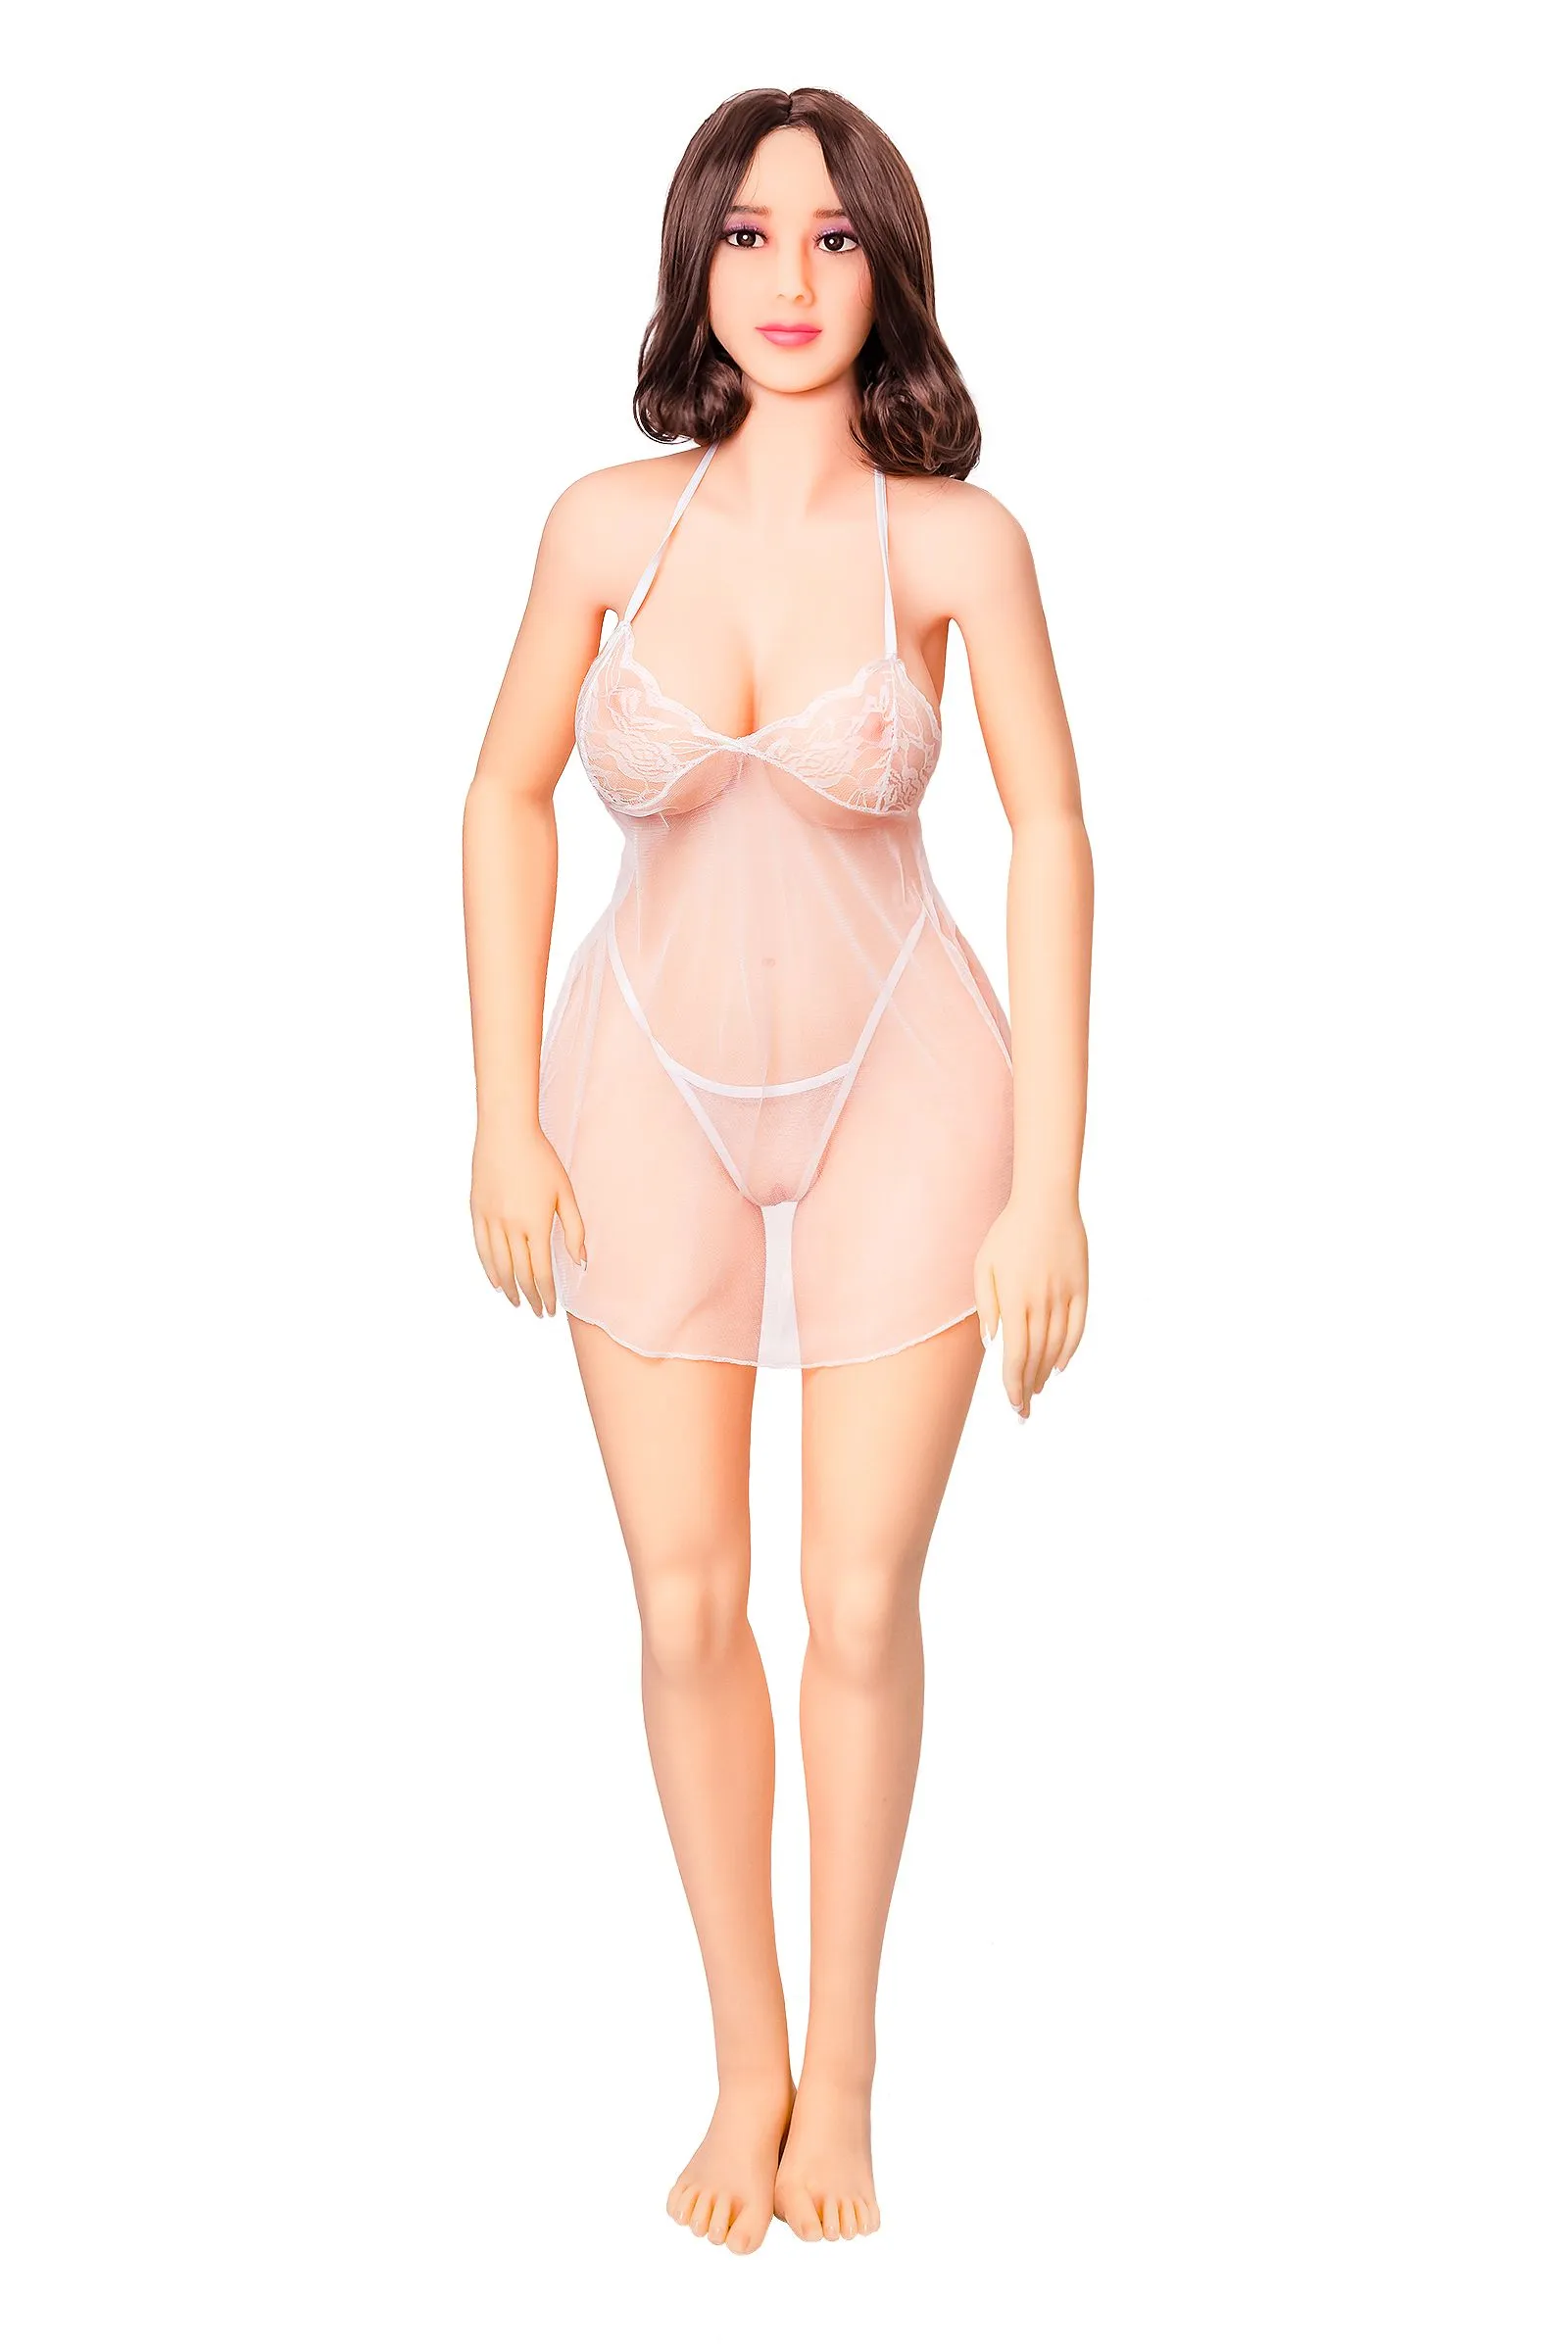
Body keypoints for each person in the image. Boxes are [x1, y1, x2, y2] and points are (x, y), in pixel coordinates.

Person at [462, 84, 1092, 2254]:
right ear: (694, 265)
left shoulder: (957, 545)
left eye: (833, 238)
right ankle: (745, 2059)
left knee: (857, 1602)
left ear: (886, 266)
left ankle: (849, 2065)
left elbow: (1054, 835)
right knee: (678, 1600)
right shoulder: (598, 529)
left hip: (909, 1088)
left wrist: (1052, 1181)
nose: (793, 278)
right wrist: (498, 1112)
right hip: (638, 1089)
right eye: (749, 235)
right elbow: (500, 797)